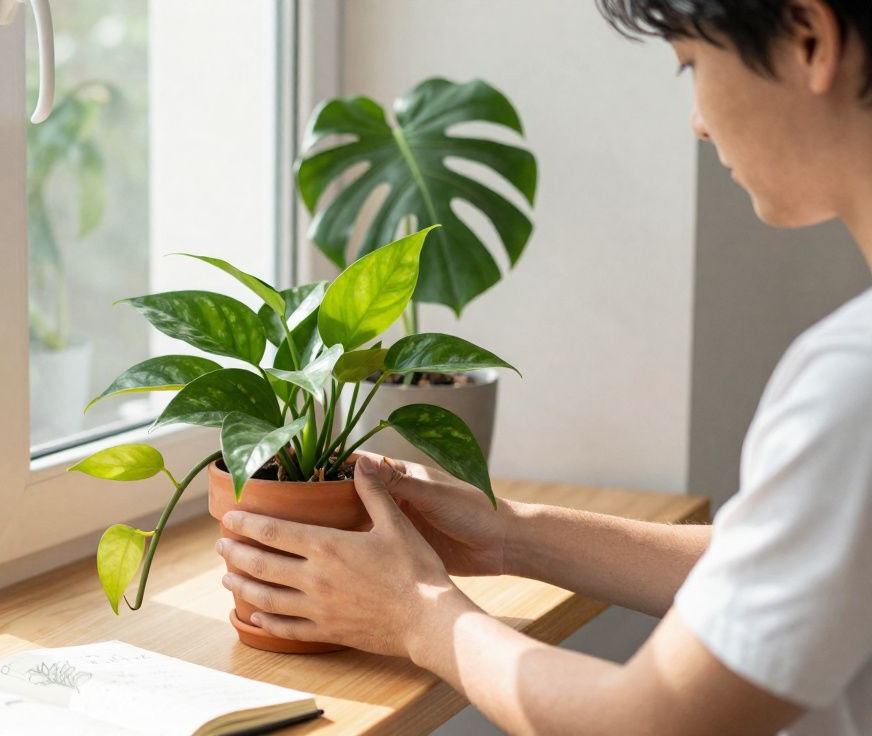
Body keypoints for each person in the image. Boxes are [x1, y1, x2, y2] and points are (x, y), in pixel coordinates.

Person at [214, 1, 872, 733]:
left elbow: (645, 723)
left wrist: (416, 615)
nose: (698, 122)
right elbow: (800, 560)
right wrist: (509, 533)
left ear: (810, 39)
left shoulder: (852, 384)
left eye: (692, 64)